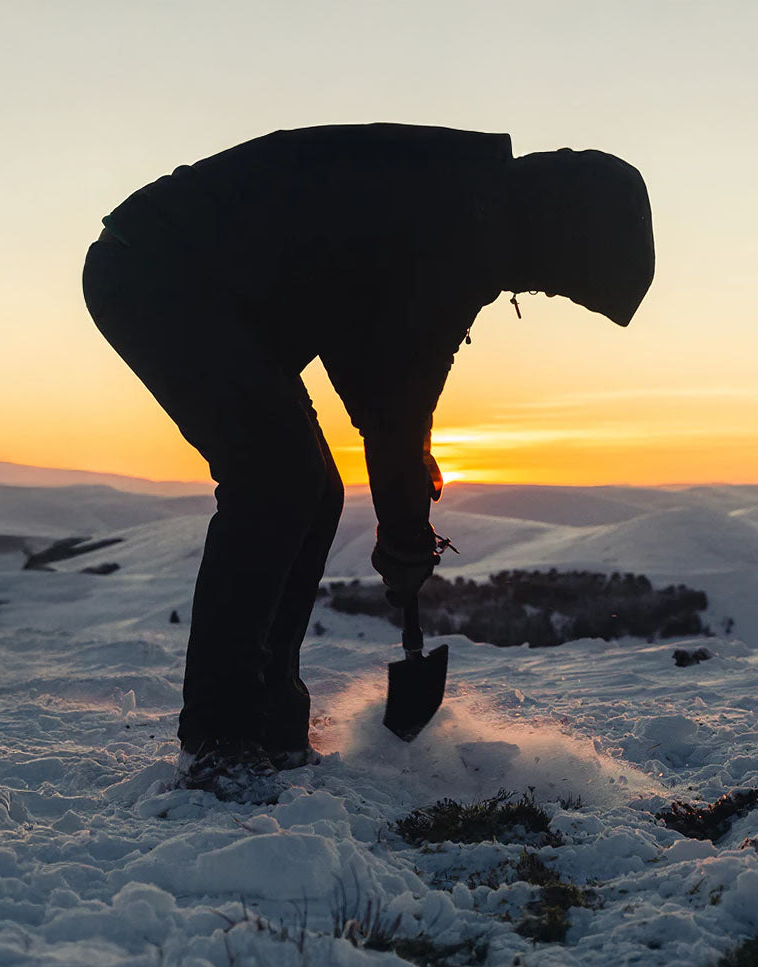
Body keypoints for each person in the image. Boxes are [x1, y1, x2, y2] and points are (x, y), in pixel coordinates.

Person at [82, 123, 654, 792]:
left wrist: (406, 505)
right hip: (156, 271)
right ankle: (221, 736)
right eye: (558, 282)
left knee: (310, 488)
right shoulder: (448, 228)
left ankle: (269, 722)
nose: (543, 292)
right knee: (275, 476)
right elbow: (392, 401)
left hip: (191, 280)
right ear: (557, 233)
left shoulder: (461, 204)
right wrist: (407, 534)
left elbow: (387, 382)